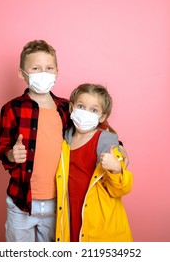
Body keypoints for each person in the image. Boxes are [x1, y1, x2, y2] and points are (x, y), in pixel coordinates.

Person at [0, 39, 72, 242]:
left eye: (49, 68)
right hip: (21, 201)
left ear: (57, 71)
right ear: (22, 73)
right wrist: (11, 154)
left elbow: (90, 131)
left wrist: (117, 146)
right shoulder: (12, 108)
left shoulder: (66, 108)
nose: (43, 73)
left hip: (57, 202)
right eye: (36, 68)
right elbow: (2, 148)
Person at [55, 83, 133, 242]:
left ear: (102, 117)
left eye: (93, 110)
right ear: (72, 107)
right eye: (81, 106)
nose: (85, 113)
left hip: (101, 223)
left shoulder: (108, 144)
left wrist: (116, 169)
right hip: (70, 215)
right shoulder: (64, 140)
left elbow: (121, 189)